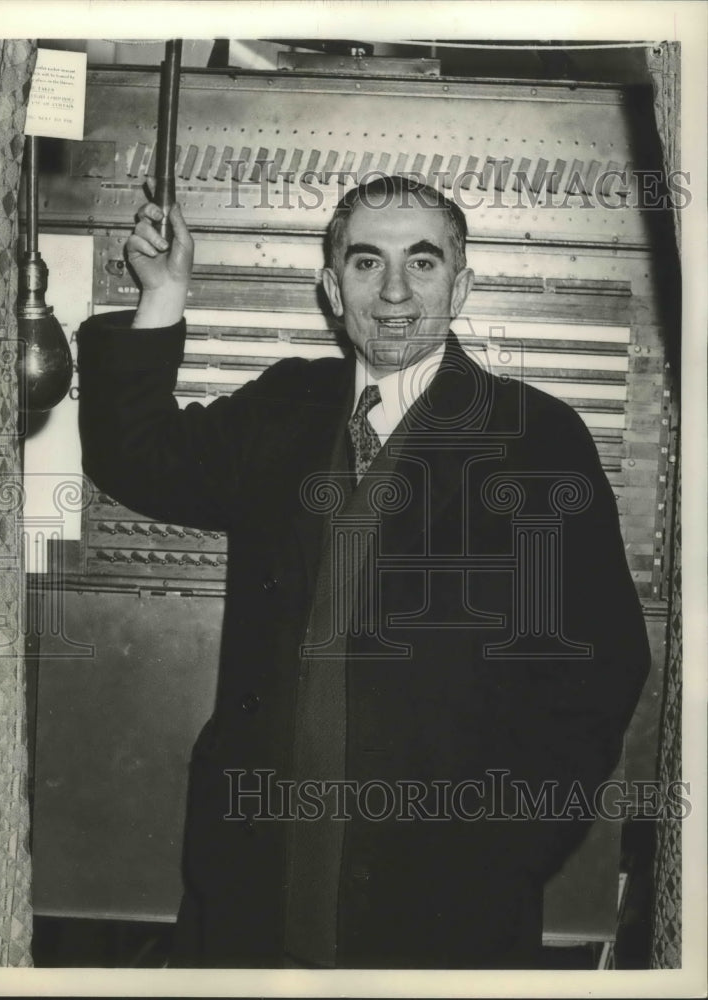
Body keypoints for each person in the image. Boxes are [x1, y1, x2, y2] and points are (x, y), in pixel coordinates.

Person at [77, 175, 649, 969]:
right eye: (364, 263)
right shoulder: (287, 405)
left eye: (422, 263)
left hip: (445, 891)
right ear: (329, 286)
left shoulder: (537, 439)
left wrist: (511, 852)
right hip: (258, 864)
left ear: (462, 283)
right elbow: (137, 458)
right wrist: (166, 294)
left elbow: (600, 670)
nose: (393, 294)